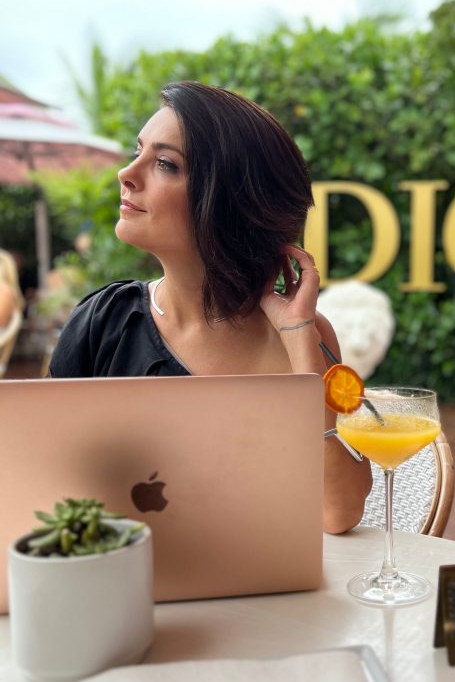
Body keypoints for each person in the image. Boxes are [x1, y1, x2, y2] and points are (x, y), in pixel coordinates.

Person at [49, 81, 371, 533]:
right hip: (117, 571)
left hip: (260, 578)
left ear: (230, 201)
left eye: (165, 164)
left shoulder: (300, 339)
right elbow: (45, 487)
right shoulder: (103, 323)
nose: (127, 173)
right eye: (137, 152)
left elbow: (337, 514)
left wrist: (300, 338)